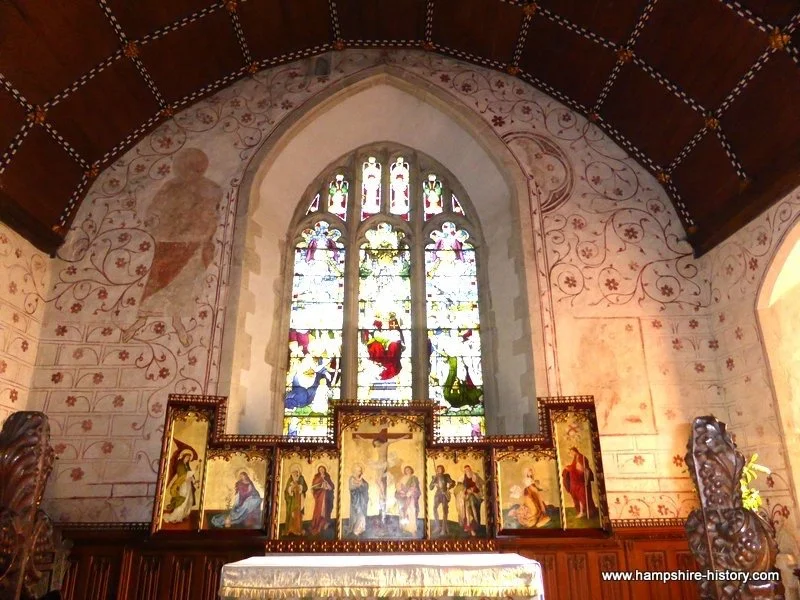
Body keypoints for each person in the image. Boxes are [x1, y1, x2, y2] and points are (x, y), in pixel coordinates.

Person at [363, 312, 405, 380]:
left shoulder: (393, 323)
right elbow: (372, 335)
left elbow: (397, 335)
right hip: (379, 343)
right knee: (376, 347)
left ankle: (389, 368)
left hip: (389, 342)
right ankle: (378, 366)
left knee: (393, 346)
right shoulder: (374, 323)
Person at [163, 448, 198, 523]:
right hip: (183, 485)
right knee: (182, 501)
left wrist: (194, 481)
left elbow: (190, 476)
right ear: (183, 457)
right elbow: (183, 476)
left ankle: (183, 515)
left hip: (188, 485)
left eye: (189, 458)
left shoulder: (186, 465)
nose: (188, 459)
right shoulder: (180, 465)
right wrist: (192, 473)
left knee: (189, 500)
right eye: (186, 457)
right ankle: (174, 517)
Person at [561, 446, 597, 519]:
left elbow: (585, 470)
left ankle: (583, 512)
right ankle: (581, 512)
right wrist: (568, 468)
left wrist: (586, 481)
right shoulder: (575, 458)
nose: (570, 453)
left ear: (575, 451)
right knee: (577, 497)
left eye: (571, 452)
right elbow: (575, 468)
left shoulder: (581, 458)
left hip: (580, 481)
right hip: (575, 482)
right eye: (570, 452)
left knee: (582, 497)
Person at [429, 464, 456, 535]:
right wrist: (434, 483)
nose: (439, 470)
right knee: (434, 509)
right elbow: (430, 488)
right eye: (438, 469)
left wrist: (449, 486)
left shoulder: (446, 476)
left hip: (444, 494)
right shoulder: (434, 477)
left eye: (440, 469)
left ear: (443, 470)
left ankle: (443, 529)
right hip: (437, 494)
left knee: (445, 511)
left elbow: (452, 483)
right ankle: (438, 526)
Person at [394, 466, 421, 535]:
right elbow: (398, 486)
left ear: (411, 470)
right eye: (406, 470)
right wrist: (400, 491)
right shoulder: (403, 478)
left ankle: (412, 529)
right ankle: (404, 528)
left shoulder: (414, 478)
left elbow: (415, 487)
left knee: (411, 511)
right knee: (403, 512)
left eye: (408, 469)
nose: (407, 471)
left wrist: (409, 493)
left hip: (410, 497)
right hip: (403, 497)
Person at [310, 465, 335, 535]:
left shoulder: (327, 476)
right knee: (319, 510)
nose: (321, 470)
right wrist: (321, 485)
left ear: (324, 470)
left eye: (323, 469)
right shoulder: (316, 477)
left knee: (326, 510)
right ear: (318, 470)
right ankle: (317, 524)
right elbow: (313, 487)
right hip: (320, 497)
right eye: (320, 469)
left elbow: (332, 486)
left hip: (326, 496)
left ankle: (324, 524)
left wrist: (327, 484)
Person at [283, 464, 308, 536]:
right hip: (291, 501)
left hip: (299, 500)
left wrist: (300, 487)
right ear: (291, 473)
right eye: (293, 472)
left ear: (298, 472)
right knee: (291, 514)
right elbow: (286, 491)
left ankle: (298, 529)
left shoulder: (301, 478)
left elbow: (305, 488)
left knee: (298, 514)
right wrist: (291, 489)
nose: (295, 473)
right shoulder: (290, 479)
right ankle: (290, 529)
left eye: (296, 472)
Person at [460, 464, 484, 536]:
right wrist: (466, 490)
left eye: (468, 469)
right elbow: (461, 487)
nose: (468, 471)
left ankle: (475, 527)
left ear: (470, 469)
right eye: (466, 470)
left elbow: (482, 483)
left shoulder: (475, 475)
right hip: (467, 496)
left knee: (474, 510)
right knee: (468, 510)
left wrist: (474, 488)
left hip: (475, 495)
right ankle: (470, 528)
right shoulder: (463, 478)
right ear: (464, 471)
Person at [348, 464, 369, 536]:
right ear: (355, 471)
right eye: (358, 471)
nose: (360, 472)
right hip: (356, 499)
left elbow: (366, 485)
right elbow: (352, 487)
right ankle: (356, 531)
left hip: (362, 499)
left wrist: (361, 484)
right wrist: (359, 484)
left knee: (362, 514)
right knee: (359, 514)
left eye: (360, 471)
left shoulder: (361, 479)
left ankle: (361, 529)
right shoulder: (352, 478)